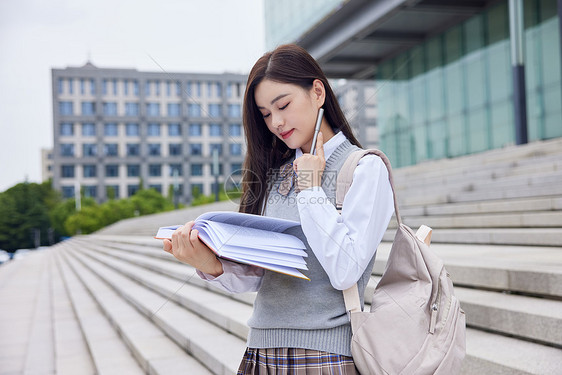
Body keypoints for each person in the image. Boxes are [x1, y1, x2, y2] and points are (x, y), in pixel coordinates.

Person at [163, 44, 394, 374]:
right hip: (261, 349)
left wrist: (311, 190)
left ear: (317, 92)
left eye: (283, 105)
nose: (277, 122)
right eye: (266, 114)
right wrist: (209, 264)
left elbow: (346, 269)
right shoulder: (274, 173)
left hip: (325, 354)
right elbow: (261, 276)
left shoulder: (364, 168)